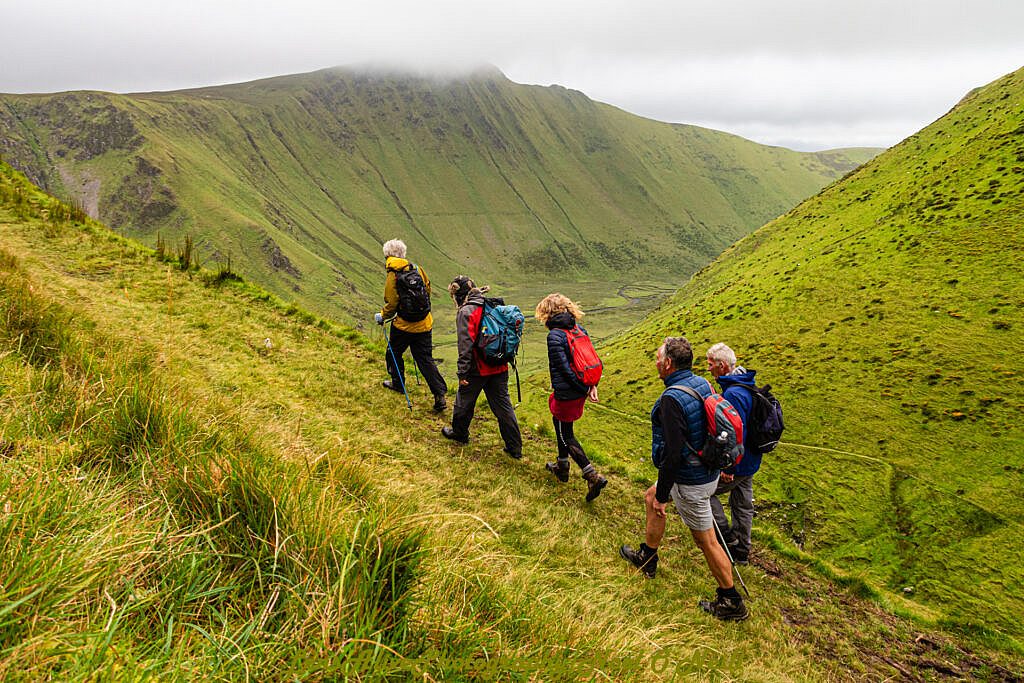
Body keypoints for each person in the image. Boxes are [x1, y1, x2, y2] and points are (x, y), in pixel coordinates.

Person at [619, 336, 749, 621]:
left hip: (691, 479)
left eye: (657, 357)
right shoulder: (702, 383)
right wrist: (660, 494)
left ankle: (731, 601)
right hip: (705, 469)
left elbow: (673, 454)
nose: (654, 362)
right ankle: (647, 557)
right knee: (650, 497)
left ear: (667, 363)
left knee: (707, 541)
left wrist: (665, 494)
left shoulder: (671, 399)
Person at [534, 293, 607, 502]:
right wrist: (591, 385)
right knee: (559, 422)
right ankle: (562, 465)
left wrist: (584, 389)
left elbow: (564, 369)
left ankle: (591, 475)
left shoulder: (555, 336)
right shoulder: (578, 329)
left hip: (568, 391)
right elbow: (591, 359)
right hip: (579, 388)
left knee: (566, 434)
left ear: (547, 312)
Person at [440, 276, 523, 459]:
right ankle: (515, 447)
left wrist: (463, 372)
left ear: (457, 295)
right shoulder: (492, 305)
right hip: (500, 365)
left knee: (464, 401)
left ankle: (460, 434)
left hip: (477, 368)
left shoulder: (467, 311)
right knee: (503, 407)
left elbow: (465, 344)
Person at [374, 239, 447, 413]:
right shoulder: (417, 269)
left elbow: (392, 303)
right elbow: (427, 291)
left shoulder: (393, 274)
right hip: (424, 323)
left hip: (404, 326)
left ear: (387, 256)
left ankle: (398, 384)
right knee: (425, 359)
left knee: (393, 352)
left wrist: (382, 316)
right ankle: (440, 395)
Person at [706, 343, 763, 565]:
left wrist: (728, 467)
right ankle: (742, 551)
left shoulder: (734, 393)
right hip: (751, 458)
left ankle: (727, 538)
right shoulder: (745, 383)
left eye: (711, 364)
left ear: (721, 366)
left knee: (705, 493)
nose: (708, 368)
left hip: (738, 461)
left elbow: (735, 432)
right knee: (742, 503)